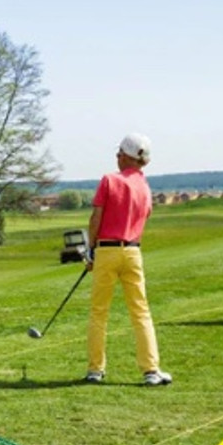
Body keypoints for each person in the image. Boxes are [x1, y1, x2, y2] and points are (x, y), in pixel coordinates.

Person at [83, 133, 172, 386]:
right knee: (140, 312)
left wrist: (91, 250)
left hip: (106, 251)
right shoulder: (145, 186)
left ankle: (95, 370)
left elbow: (96, 219)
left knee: (99, 312)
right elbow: (146, 216)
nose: (117, 156)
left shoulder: (109, 180)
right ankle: (151, 371)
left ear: (126, 156)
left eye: (119, 153)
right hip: (133, 252)